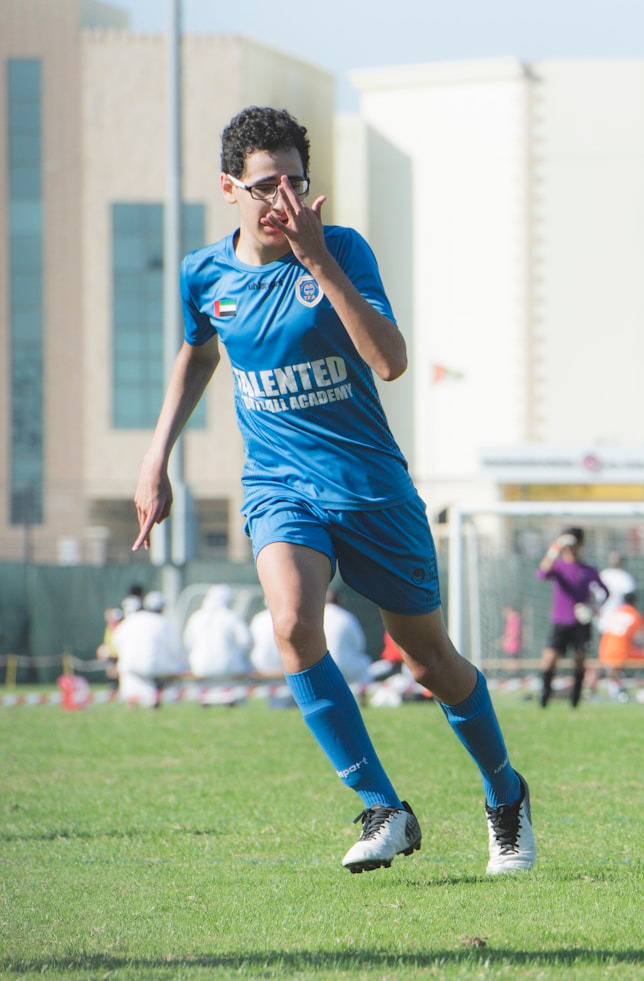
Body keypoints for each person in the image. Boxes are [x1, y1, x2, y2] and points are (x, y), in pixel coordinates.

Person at [131, 106, 533, 875]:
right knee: (290, 623)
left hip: (371, 489)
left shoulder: (342, 250)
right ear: (229, 189)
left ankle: (504, 793)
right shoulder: (204, 273)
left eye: (296, 182)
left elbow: (390, 362)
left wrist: (319, 263)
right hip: (279, 484)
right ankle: (385, 806)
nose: (282, 198)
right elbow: (199, 353)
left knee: (429, 662)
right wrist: (158, 457)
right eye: (264, 185)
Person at [536, 527, 606, 708]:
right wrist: (555, 548)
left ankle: (575, 700)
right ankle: (544, 698)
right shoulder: (558, 566)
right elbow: (542, 573)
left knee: (580, 659)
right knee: (549, 658)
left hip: (581, 622)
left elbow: (604, 591)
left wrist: (593, 606)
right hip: (560, 621)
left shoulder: (588, 570)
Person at [112, 591, 185, 708]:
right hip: (157, 667)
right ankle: (157, 698)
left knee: (130, 674)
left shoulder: (131, 620)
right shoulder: (165, 622)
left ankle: (131, 703)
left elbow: (117, 641)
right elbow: (175, 648)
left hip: (130, 666)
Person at [184, 584, 253, 700]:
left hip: (201, 667)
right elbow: (246, 641)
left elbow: (187, 643)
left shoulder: (196, 617)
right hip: (229, 668)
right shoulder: (232, 617)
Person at [596, 592, 644, 699]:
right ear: (635, 603)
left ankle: (615, 685)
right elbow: (639, 642)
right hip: (623, 653)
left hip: (604, 652)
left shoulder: (615, 613)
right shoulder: (636, 616)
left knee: (613, 664)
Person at [323, 589, 372, 684]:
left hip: (324, 668)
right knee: (366, 661)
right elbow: (359, 646)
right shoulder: (347, 617)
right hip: (347, 668)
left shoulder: (317, 619)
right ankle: (363, 692)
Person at [597, 553, 636, 634]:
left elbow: (629, 599)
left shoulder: (625, 577)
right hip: (605, 616)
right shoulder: (604, 575)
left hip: (620, 619)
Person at [249, 605, 284, 677]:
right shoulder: (285, 617)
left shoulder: (258, 618)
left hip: (258, 667)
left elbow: (248, 642)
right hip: (281, 669)